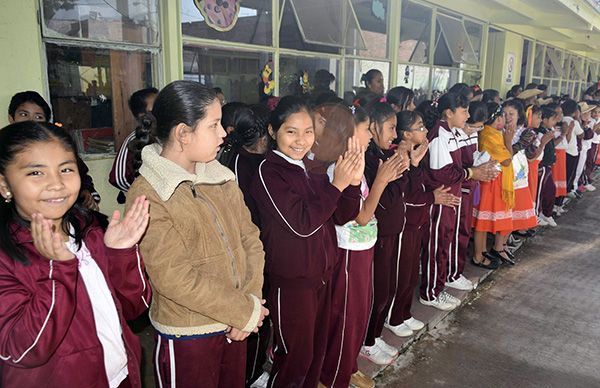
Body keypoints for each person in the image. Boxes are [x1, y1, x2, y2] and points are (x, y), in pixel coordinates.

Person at [126, 81, 267, 388]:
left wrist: (250, 302)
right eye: (214, 125)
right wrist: (243, 309)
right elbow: (174, 277)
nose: (223, 133)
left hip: (236, 324)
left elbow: (250, 240)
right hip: (189, 334)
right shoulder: (149, 194)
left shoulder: (220, 177)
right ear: (183, 134)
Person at [0, 121, 151, 388]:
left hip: (121, 376)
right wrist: (58, 272)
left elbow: (134, 308)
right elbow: (22, 350)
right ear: (5, 185)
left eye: (66, 169)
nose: (56, 184)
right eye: (36, 173)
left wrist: (121, 254)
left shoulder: (91, 231)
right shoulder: (6, 257)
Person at [250, 96, 363, 388]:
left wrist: (351, 182)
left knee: (314, 354)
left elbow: (342, 215)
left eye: (308, 131)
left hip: (321, 276)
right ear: (274, 132)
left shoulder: (308, 170)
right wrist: (337, 184)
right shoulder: (268, 173)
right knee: (295, 358)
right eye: (291, 131)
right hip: (292, 282)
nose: (301, 140)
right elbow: (302, 224)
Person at [319, 104, 397, 388]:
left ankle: (347, 367)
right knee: (345, 318)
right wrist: (382, 181)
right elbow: (361, 217)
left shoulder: (357, 163)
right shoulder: (338, 168)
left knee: (360, 314)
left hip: (363, 251)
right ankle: (331, 377)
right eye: (365, 129)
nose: (369, 135)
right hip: (349, 253)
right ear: (348, 134)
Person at [386, 110, 461, 337]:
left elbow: (418, 185)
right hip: (403, 225)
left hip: (416, 224)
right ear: (406, 134)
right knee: (398, 275)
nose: (426, 131)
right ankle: (393, 317)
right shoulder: (397, 156)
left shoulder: (414, 154)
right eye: (420, 127)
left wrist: (417, 165)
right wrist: (432, 198)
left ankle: (404, 313)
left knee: (409, 274)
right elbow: (407, 196)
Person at [420, 93, 497, 308]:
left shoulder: (450, 132)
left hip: (450, 197)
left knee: (445, 242)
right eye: (464, 111)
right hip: (442, 198)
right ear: (449, 113)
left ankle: (440, 285)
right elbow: (442, 173)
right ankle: (430, 293)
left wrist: (475, 170)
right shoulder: (439, 135)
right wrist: (473, 172)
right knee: (436, 246)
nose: (468, 115)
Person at [360, 102, 415, 365]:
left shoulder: (382, 155)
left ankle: (375, 334)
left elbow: (397, 191)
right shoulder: (370, 160)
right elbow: (384, 201)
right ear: (373, 127)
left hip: (391, 231)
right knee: (378, 290)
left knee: (388, 288)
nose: (395, 135)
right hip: (377, 234)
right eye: (391, 128)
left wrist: (401, 166)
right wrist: (399, 167)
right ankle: (366, 341)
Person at [7, 91, 101, 211]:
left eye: (38, 117)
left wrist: (85, 192)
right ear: (11, 118)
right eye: (24, 114)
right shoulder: (5, 150)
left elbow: (82, 176)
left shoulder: (57, 148)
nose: (31, 121)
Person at [472, 103, 514, 267]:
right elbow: (507, 159)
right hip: (489, 182)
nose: (506, 119)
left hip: (492, 181)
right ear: (497, 119)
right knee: (482, 222)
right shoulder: (489, 135)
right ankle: (477, 255)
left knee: (485, 220)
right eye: (504, 115)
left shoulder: (493, 133)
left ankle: (482, 251)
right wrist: (509, 141)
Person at [109, 87, 158, 203]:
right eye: (156, 106)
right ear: (142, 115)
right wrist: (138, 193)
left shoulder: (166, 135)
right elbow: (118, 178)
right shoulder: (134, 139)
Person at [536, 106, 562, 227]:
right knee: (542, 191)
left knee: (549, 190)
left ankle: (546, 213)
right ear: (544, 120)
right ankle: (538, 213)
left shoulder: (547, 131)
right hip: (542, 165)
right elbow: (539, 150)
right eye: (552, 119)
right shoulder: (540, 133)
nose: (555, 122)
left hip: (548, 165)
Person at [561, 99, 584, 196]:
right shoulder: (574, 122)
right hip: (572, 152)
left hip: (563, 152)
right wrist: (578, 119)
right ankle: (566, 192)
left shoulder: (561, 120)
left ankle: (562, 193)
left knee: (562, 174)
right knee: (569, 174)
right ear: (575, 112)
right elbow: (581, 135)